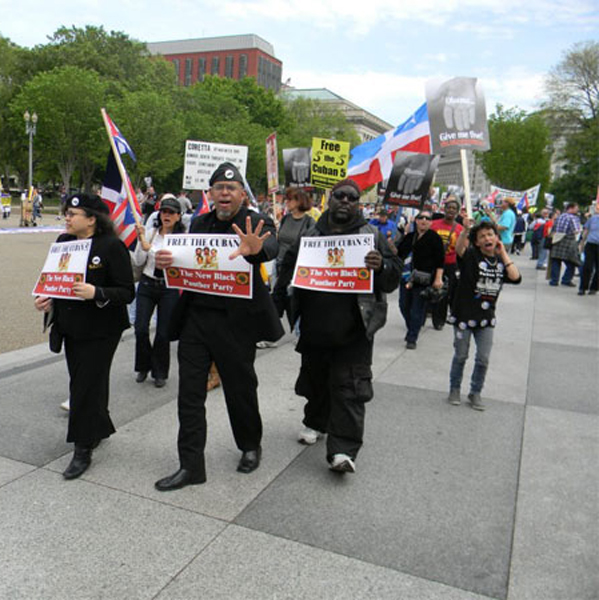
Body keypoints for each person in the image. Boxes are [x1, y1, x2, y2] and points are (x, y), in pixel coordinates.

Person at [153, 162, 283, 491]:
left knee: (240, 390)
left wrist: (256, 251)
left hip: (237, 323)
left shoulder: (257, 220)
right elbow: (183, 259)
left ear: (242, 194)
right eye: (218, 188)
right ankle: (190, 465)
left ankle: (250, 446)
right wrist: (167, 261)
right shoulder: (198, 222)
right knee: (189, 395)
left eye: (231, 188)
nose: (224, 193)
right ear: (210, 194)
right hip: (197, 320)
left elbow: (270, 246)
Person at [273, 179, 401, 473]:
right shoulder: (311, 233)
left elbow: (393, 275)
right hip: (315, 327)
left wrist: (381, 266)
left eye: (352, 197)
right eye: (340, 196)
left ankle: (343, 449)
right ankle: (315, 422)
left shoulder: (373, 236)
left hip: (355, 329)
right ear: (330, 200)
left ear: (358, 204)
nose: (345, 201)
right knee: (316, 380)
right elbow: (287, 271)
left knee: (349, 388)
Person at [34, 194, 134, 479]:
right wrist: (46, 300)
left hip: (101, 330)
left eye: (73, 213)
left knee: (83, 387)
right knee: (88, 382)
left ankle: (82, 449)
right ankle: (98, 428)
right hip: (70, 326)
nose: (67, 217)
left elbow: (127, 292)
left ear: (92, 219)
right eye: (66, 212)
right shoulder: (63, 243)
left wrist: (97, 292)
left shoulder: (112, 246)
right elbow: (54, 282)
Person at [447, 219, 521, 410]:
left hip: (486, 319)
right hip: (463, 317)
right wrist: (465, 231)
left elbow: (515, 277)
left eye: (490, 234)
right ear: (477, 242)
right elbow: (459, 250)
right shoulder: (471, 256)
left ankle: (475, 392)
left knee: (483, 359)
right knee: (461, 355)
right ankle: (455, 388)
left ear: (496, 237)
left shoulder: (499, 261)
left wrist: (503, 252)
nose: (487, 238)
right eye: (482, 236)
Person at [132, 196, 187, 388]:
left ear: (178, 217)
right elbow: (139, 261)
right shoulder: (150, 233)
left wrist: (150, 248)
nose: (167, 215)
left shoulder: (182, 240)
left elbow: (181, 263)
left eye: (171, 212)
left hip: (168, 288)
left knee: (163, 333)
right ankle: (143, 366)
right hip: (147, 284)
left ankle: (160, 372)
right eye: (164, 211)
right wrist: (142, 242)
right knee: (140, 328)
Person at [396, 209, 445, 348]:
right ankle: (412, 327)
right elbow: (398, 254)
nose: (424, 220)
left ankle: (412, 337)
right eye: (421, 218)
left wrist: (438, 278)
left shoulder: (435, 238)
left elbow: (440, 260)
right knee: (403, 305)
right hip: (405, 278)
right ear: (416, 220)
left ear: (431, 222)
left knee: (416, 309)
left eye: (427, 219)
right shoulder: (409, 236)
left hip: (423, 279)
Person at [430, 196, 463, 330]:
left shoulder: (460, 229)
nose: (451, 210)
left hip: (450, 264)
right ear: (444, 209)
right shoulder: (434, 224)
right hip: (433, 263)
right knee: (430, 290)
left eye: (454, 208)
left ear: (457, 212)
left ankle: (439, 320)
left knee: (445, 293)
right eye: (449, 207)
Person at [549, 203, 582, 287]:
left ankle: (554, 280)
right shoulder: (573, 218)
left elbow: (553, 228)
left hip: (557, 239)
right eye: (576, 208)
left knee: (556, 261)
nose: (577, 210)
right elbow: (576, 231)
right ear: (571, 208)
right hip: (568, 241)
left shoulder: (560, 216)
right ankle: (566, 280)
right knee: (571, 262)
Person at [578, 208, 599, 295]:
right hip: (591, 244)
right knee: (587, 267)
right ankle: (583, 287)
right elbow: (586, 231)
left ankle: (594, 288)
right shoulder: (593, 219)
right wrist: (581, 244)